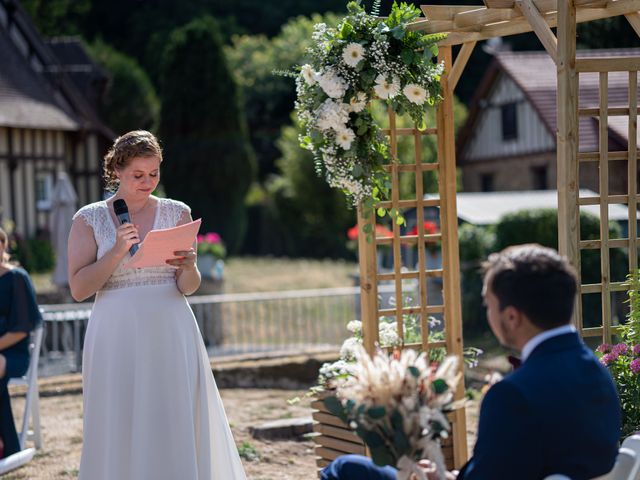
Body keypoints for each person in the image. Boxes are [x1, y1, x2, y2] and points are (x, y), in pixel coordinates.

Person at [321, 244, 621, 480]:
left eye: (487, 304)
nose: (487, 313)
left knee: (346, 468)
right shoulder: (598, 374)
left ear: (512, 316)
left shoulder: (514, 395)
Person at [68, 130, 246, 479]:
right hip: (115, 332)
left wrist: (189, 267)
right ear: (117, 170)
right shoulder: (88, 219)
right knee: (120, 413)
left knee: (172, 411)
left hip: (170, 329)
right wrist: (118, 250)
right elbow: (78, 288)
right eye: (138, 175)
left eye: (154, 174)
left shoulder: (177, 213)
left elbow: (187, 287)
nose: (147, 182)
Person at [0, 227, 42, 458]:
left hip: (14, 353)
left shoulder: (17, 278)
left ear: (4, 246)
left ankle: (8, 446)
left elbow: (22, 329)